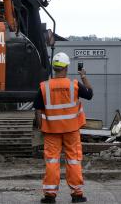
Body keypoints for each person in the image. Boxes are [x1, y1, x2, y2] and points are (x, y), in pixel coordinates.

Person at [35, 52, 93, 203]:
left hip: (51, 131)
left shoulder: (44, 87)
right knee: (73, 160)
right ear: (66, 67)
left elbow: (38, 110)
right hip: (72, 130)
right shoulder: (74, 85)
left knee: (52, 161)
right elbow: (90, 94)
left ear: (54, 67)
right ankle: (77, 194)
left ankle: (49, 195)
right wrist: (84, 76)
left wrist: (41, 128)